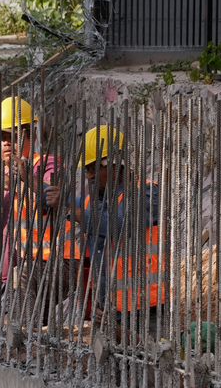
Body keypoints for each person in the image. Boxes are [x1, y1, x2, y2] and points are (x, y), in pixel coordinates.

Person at [67, 124, 162, 333]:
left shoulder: (146, 194)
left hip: (146, 311)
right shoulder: (96, 200)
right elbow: (65, 200)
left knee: (146, 362)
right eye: (86, 170)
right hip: (110, 310)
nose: (89, 176)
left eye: (93, 168)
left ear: (113, 164)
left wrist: (77, 213)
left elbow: (119, 225)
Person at [0, 96, 63, 325]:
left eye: (12, 136)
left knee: (23, 326)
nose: (6, 143)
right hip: (2, 276)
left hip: (43, 264)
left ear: (29, 135)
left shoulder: (47, 165)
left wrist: (23, 178)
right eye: (2, 137)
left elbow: (52, 198)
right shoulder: (0, 178)